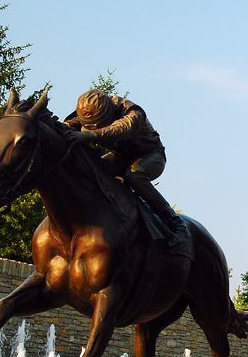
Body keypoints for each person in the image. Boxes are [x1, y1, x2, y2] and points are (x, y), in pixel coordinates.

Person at [64, 89, 187, 246]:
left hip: (150, 155)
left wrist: (91, 135)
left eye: (100, 125)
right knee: (94, 169)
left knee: (134, 176)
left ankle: (174, 222)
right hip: (122, 156)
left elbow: (121, 128)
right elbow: (67, 125)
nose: (94, 128)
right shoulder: (88, 111)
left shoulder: (131, 112)